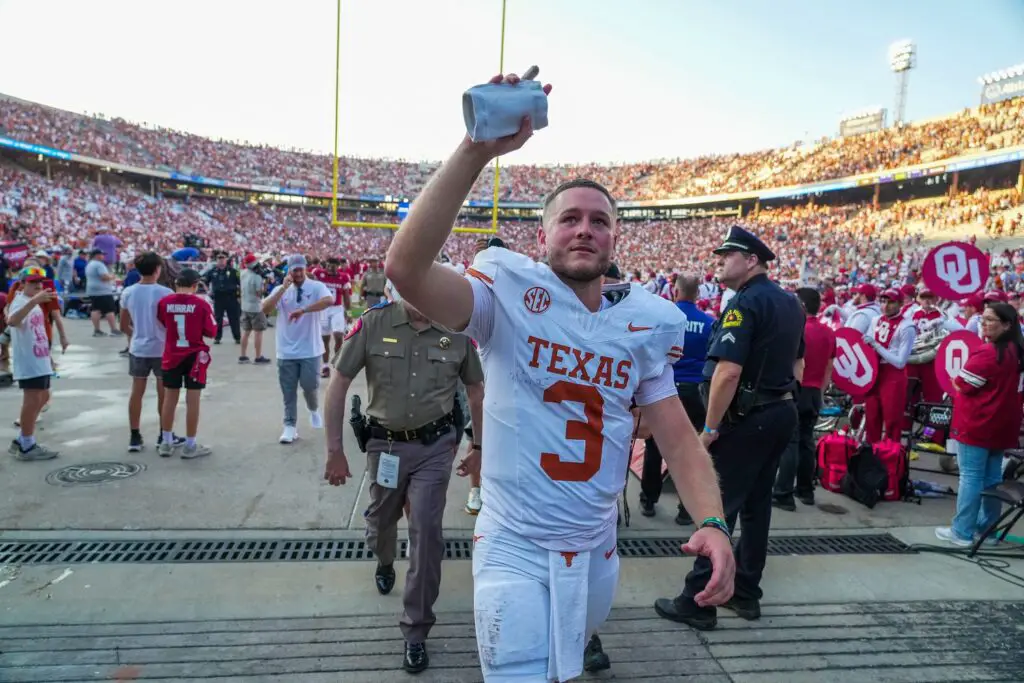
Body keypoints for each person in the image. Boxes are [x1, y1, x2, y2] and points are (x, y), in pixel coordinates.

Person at [383, 70, 733, 682]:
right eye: (570, 218)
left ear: (614, 238)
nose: (585, 229)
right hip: (515, 540)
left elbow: (676, 435)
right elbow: (407, 270)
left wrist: (711, 521)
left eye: (599, 221)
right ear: (543, 235)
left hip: (597, 547)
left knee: (564, 673)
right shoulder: (507, 291)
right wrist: (475, 150)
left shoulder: (647, 321)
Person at [324, 290, 485, 674]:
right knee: (382, 521)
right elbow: (339, 382)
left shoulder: (457, 328)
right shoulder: (373, 323)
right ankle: (383, 559)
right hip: (386, 446)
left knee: (427, 532)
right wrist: (334, 450)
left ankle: (416, 631)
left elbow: (477, 392)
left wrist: (479, 445)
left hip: (435, 447)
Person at [655, 225, 803, 631]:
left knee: (718, 508)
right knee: (757, 508)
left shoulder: (744, 303)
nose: (719, 262)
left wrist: (710, 426)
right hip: (779, 411)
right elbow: (798, 366)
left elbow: (727, 372)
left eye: (727, 255)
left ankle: (698, 601)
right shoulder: (791, 303)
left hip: (747, 418)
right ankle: (746, 592)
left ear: (751, 260)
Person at [936, 301, 1024, 546]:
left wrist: (955, 378)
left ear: (1006, 325)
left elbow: (963, 384)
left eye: (989, 320)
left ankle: (962, 531)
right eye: (982, 318)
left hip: (978, 422)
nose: (982, 323)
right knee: (991, 479)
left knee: (971, 478)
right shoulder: (1018, 351)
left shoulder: (988, 352)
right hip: (1003, 424)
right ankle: (988, 532)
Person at [639, 273, 713, 524]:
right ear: (698, 295)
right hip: (693, 390)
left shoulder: (664, 317)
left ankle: (649, 500)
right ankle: (685, 510)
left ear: (676, 291)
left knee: (654, 447)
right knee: (690, 449)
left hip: (665, 390)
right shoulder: (708, 322)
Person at [773, 287, 836, 511]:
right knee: (807, 442)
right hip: (814, 391)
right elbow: (830, 367)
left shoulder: (796, 328)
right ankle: (805, 490)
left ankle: (783, 493)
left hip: (796, 389)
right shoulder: (829, 332)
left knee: (791, 442)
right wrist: (820, 390)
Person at [261, 254, 333, 444]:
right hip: (286, 349)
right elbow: (265, 308)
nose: (298, 273)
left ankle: (312, 408)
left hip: (310, 348)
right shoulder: (281, 289)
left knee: (310, 386)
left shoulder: (316, 287)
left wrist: (305, 310)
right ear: (289, 271)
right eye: (294, 270)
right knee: (288, 390)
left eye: (301, 269)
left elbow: (328, 301)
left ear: (306, 269)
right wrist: (282, 288)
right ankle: (290, 425)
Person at [119, 252, 179, 452]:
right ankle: (164, 433)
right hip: (162, 347)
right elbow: (172, 323)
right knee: (164, 392)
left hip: (139, 347)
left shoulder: (128, 292)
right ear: (157, 269)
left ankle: (134, 435)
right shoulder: (165, 293)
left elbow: (123, 325)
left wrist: (135, 336)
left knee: (137, 392)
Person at [155, 269, 216, 459]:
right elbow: (212, 331)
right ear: (195, 285)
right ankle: (190, 444)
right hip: (194, 355)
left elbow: (163, 322)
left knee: (169, 398)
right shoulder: (201, 303)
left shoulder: (164, 302)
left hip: (172, 353)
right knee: (193, 399)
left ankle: (166, 441)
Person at [6, 266, 60, 461]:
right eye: (32, 282)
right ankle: (27, 444)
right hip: (29, 361)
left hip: (40, 358)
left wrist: (49, 357)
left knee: (44, 396)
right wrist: (34, 301)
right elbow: (12, 321)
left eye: (39, 282)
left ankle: (22, 439)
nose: (37, 286)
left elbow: (39, 331)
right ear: (22, 284)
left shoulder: (33, 301)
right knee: (32, 400)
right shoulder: (20, 301)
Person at [862, 289, 916, 444]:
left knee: (892, 421)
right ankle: (871, 458)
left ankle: (891, 460)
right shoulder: (876, 320)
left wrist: (876, 345)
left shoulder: (907, 326)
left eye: (891, 302)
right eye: (884, 301)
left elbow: (900, 362)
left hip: (893, 375)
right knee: (871, 418)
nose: (886, 306)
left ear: (900, 303)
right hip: (874, 371)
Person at [315, 256, 352, 378]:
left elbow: (346, 297)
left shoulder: (344, 277)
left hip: (337, 309)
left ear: (338, 266)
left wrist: (349, 312)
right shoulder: (319, 274)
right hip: (324, 309)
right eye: (329, 265)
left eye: (334, 265)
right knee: (325, 339)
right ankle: (325, 366)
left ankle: (337, 364)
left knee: (338, 335)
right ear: (326, 265)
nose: (331, 267)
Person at [203, 251, 242, 345]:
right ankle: (217, 338)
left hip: (231, 297)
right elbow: (203, 281)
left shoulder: (233, 271)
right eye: (219, 259)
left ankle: (237, 337)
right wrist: (208, 291)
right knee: (218, 319)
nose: (221, 261)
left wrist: (239, 296)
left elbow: (240, 283)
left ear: (226, 260)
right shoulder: (212, 271)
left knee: (234, 319)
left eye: (223, 258)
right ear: (216, 260)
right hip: (218, 298)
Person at [239, 253, 271, 364]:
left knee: (246, 332)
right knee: (258, 332)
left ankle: (243, 356)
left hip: (245, 306)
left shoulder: (243, 273)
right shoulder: (257, 277)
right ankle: (258, 357)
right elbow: (259, 293)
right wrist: (265, 284)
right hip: (255, 308)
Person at [85, 248, 121, 337]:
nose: (103, 256)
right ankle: (114, 330)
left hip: (92, 289)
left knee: (96, 309)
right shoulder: (99, 265)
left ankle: (97, 330)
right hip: (102, 290)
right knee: (110, 310)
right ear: (97, 255)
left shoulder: (90, 264)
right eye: (102, 254)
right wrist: (112, 276)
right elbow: (104, 277)